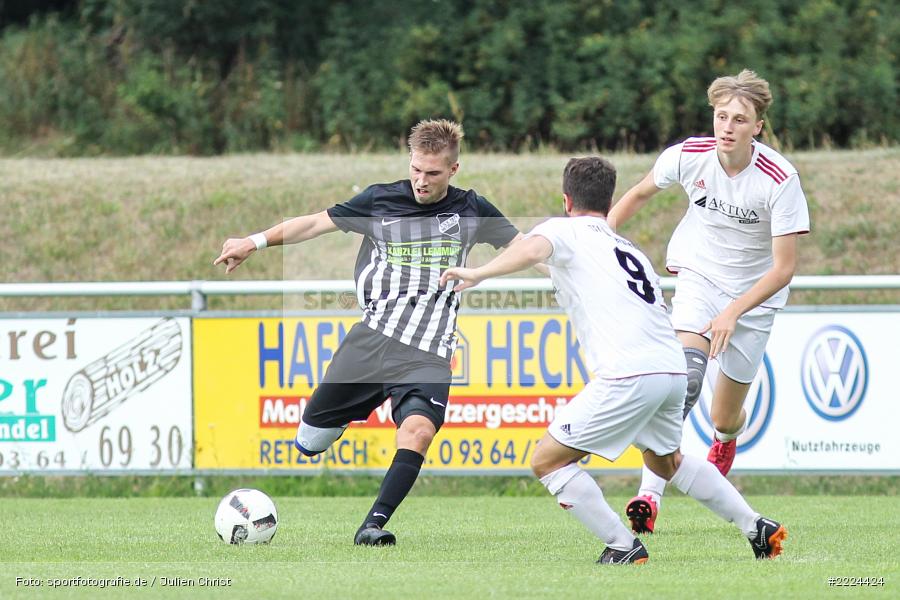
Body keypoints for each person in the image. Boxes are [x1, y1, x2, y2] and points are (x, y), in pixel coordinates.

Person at [440, 156, 787, 564]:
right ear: (608, 201)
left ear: (566, 200)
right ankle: (758, 527)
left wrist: (479, 273)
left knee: (548, 460)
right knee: (668, 461)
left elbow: (536, 246)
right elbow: (550, 262)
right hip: (672, 369)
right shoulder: (625, 247)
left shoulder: (561, 230)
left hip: (628, 373)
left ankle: (623, 546)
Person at [214, 119, 520, 545]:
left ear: (453, 170)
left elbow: (528, 248)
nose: (421, 180)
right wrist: (254, 241)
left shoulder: (472, 209)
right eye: (416, 169)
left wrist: (552, 272)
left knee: (418, 432)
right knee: (310, 441)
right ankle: (345, 415)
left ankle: (372, 525)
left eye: (432, 173)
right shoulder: (381, 199)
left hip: (429, 352)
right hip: (371, 341)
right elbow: (314, 224)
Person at [607, 70, 810, 534]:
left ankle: (725, 438)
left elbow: (784, 267)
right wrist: (598, 237)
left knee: (723, 413)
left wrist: (734, 312)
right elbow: (637, 194)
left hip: (755, 299)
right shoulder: (689, 156)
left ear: (758, 125)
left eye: (740, 119)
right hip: (699, 279)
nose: (728, 126)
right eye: (722, 116)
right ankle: (648, 496)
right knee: (683, 382)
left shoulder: (779, 178)